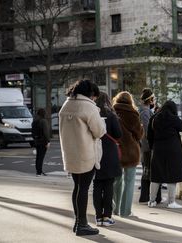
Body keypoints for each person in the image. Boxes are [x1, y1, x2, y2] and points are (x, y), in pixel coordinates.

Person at [59, 80, 106, 236]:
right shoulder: (88, 107)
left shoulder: (66, 105)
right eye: (94, 96)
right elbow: (99, 131)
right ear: (91, 94)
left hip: (71, 153)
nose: (94, 99)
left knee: (77, 187)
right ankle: (82, 224)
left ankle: (78, 221)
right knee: (84, 188)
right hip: (87, 154)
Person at [147, 100, 182, 209]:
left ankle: (151, 201)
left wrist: (152, 147)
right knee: (172, 176)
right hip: (173, 149)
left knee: (156, 176)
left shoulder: (154, 118)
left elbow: (149, 135)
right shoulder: (174, 118)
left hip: (158, 149)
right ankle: (171, 202)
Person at [93, 92, 122, 227]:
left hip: (94, 153)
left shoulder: (93, 115)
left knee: (97, 185)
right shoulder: (111, 115)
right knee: (108, 185)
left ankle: (98, 216)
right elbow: (118, 134)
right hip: (109, 153)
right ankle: (107, 216)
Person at [112, 91, 144, 217]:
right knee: (129, 181)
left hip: (117, 150)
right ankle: (126, 211)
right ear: (130, 101)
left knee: (117, 181)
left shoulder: (112, 112)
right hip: (130, 151)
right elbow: (139, 134)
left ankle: (116, 209)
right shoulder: (133, 113)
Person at [138, 88, 162, 203]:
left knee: (147, 170)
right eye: (154, 98)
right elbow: (148, 130)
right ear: (150, 100)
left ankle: (145, 196)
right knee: (148, 171)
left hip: (146, 145)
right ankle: (146, 196)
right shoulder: (145, 112)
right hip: (148, 145)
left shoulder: (145, 110)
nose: (155, 101)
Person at [31, 108, 50, 176]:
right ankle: (39, 171)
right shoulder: (43, 121)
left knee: (38, 157)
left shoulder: (34, 121)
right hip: (43, 141)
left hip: (37, 141)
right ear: (44, 113)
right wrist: (48, 141)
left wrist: (35, 139)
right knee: (41, 157)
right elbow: (46, 132)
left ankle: (38, 171)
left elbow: (32, 132)